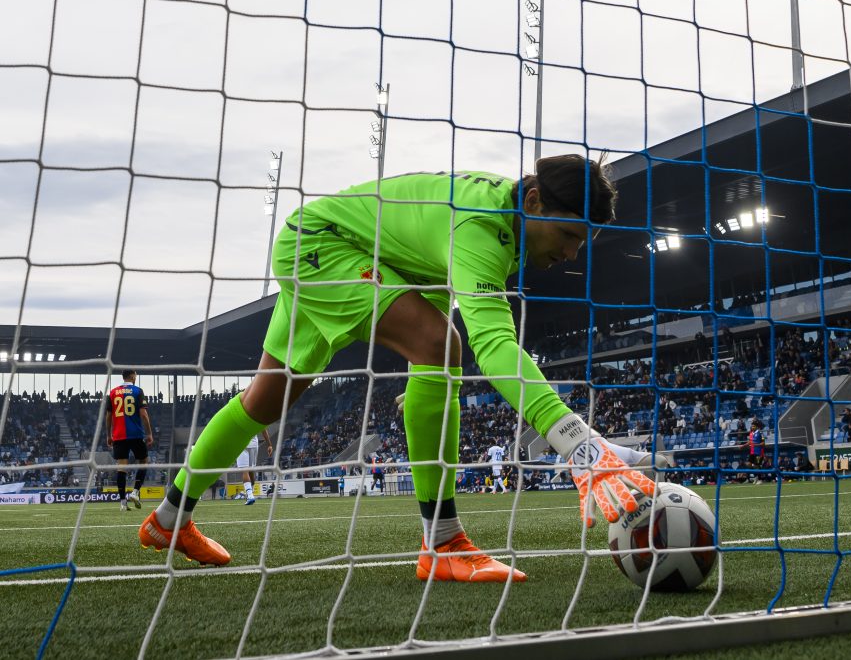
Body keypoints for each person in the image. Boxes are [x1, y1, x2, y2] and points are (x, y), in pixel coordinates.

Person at [138, 155, 656, 579]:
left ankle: (168, 520)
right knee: (441, 345)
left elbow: (419, 258)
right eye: (568, 235)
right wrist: (577, 442)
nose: (571, 253)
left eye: (581, 243)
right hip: (323, 247)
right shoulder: (484, 226)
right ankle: (444, 543)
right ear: (536, 200)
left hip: (334, 246)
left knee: (265, 401)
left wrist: (431, 381)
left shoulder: (510, 217)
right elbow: (494, 343)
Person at [106, 369, 154, 512]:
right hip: (136, 435)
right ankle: (135, 492)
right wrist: (149, 433)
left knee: (122, 467)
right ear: (132, 376)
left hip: (119, 435)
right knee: (144, 462)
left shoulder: (113, 392)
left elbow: (108, 416)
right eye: (136, 376)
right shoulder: (138, 391)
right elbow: (144, 414)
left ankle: (122, 503)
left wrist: (109, 435)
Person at [234, 429, 273, 505]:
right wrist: (269, 445)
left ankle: (250, 495)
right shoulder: (255, 416)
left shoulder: (236, 417)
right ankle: (250, 493)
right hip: (254, 444)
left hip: (241, 444)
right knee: (251, 470)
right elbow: (263, 429)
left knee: (245, 471)